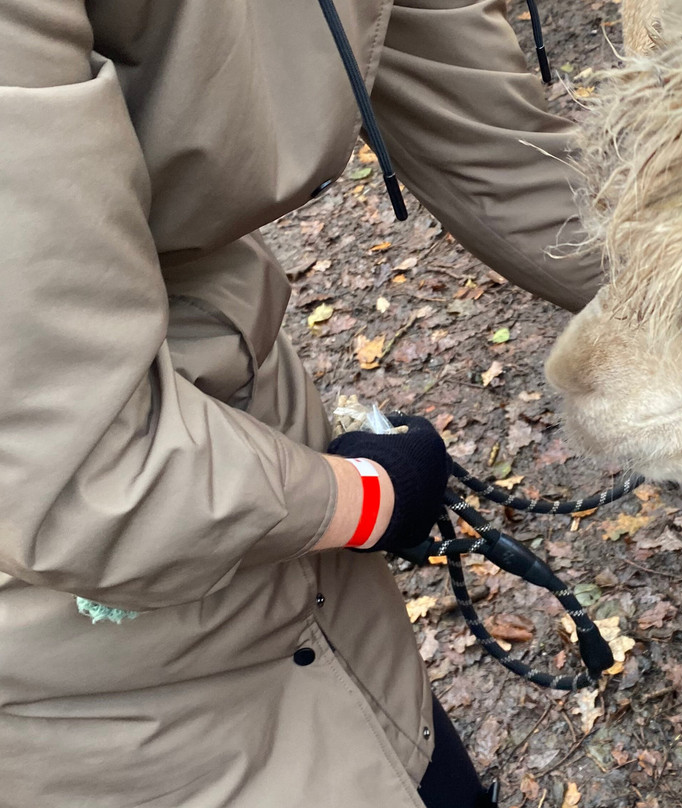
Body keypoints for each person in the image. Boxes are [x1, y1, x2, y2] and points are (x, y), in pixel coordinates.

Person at [0, 0, 602, 806]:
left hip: (261, 460)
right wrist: (367, 498)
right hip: (81, 659)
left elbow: (500, 149)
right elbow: (81, 472)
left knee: (406, 753)